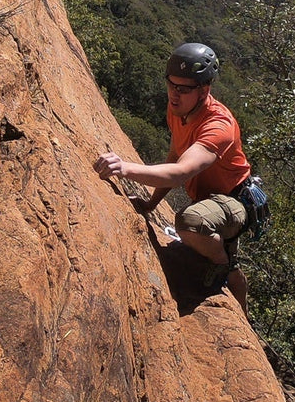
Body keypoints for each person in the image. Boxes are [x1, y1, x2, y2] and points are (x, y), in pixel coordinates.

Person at [92, 42, 252, 310]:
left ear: (204, 90)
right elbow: (175, 156)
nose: (174, 95)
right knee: (194, 221)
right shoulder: (178, 111)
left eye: (183, 89)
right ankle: (225, 264)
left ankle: (225, 267)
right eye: (171, 85)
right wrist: (151, 204)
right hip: (208, 200)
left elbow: (181, 172)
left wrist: (124, 168)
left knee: (189, 221)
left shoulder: (218, 125)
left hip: (234, 201)